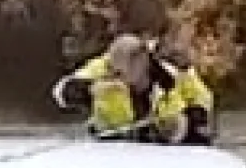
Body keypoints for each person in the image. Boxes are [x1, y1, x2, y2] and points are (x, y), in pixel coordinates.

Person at [51, 33, 215, 145]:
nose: (117, 76)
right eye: (114, 70)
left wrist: (193, 119)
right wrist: (85, 90)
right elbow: (60, 92)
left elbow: (202, 97)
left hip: (168, 147)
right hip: (113, 147)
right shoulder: (103, 67)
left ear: (143, 62)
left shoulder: (172, 70)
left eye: (122, 72)